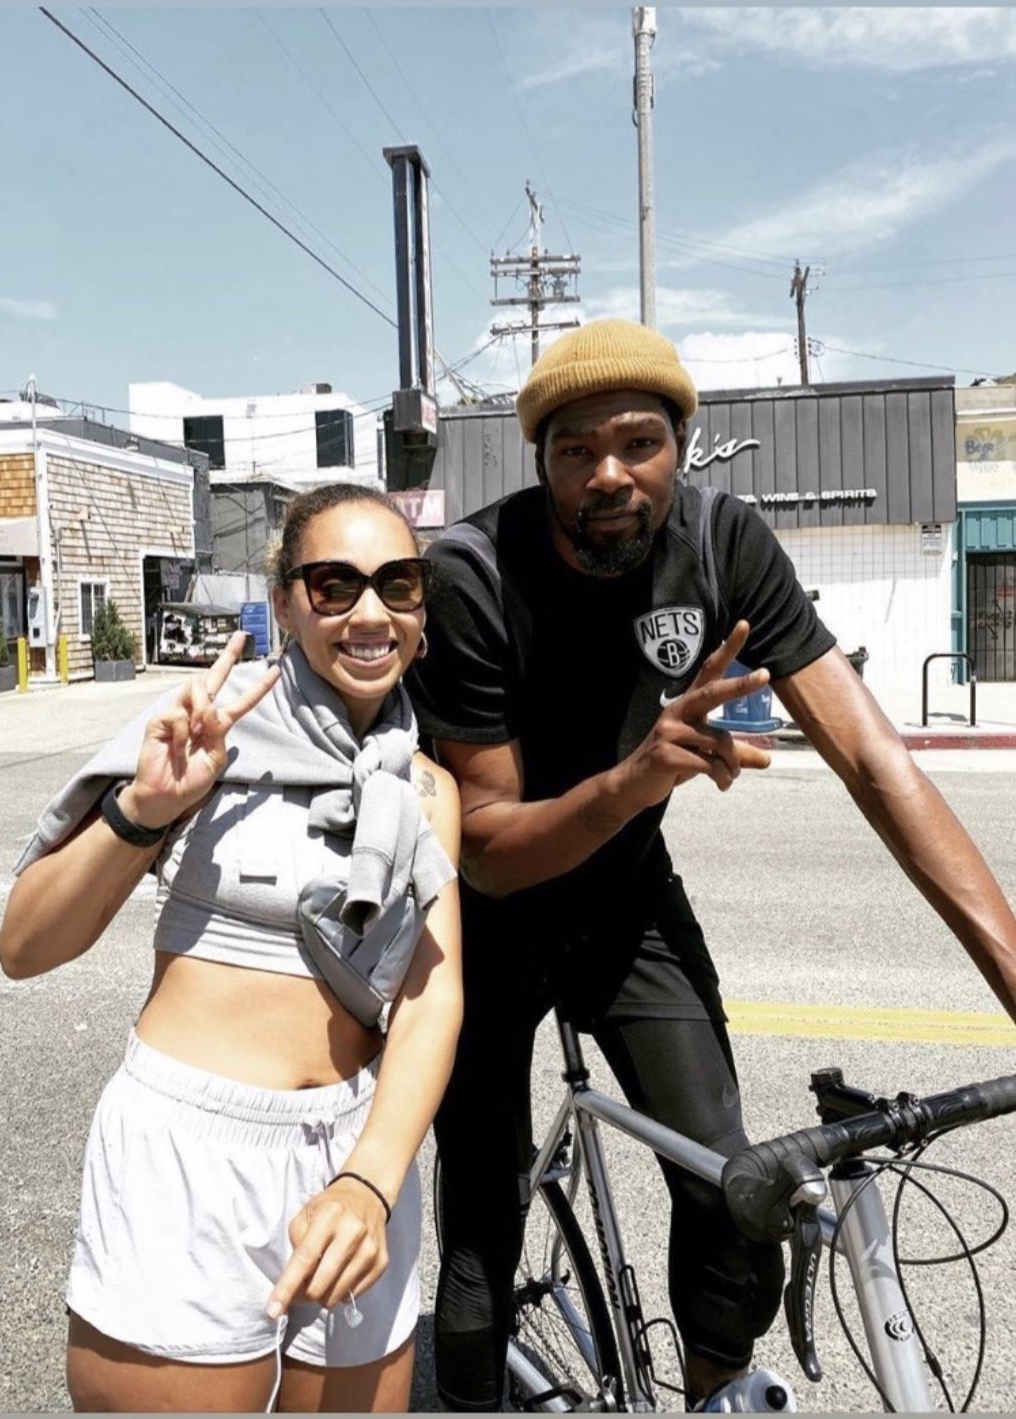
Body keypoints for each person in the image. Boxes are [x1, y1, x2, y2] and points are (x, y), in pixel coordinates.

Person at [407, 319, 1016, 1412]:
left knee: (733, 1194)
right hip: (488, 919)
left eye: (637, 443)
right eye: (575, 450)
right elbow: (488, 850)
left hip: (625, 900)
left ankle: (710, 1391)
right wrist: (634, 779)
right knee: (477, 1240)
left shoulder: (723, 541)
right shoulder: (472, 573)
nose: (608, 474)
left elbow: (875, 760)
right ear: (540, 461)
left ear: (681, 447)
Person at [0, 483, 462, 1414]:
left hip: (356, 1155)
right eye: (335, 585)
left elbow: (430, 998)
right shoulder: (205, 731)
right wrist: (145, 809)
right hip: (191, 1157)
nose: (371, 613)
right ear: (285, 601)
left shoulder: (424, 788)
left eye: (398, 583)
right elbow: (25, 945)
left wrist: (371, 1179)